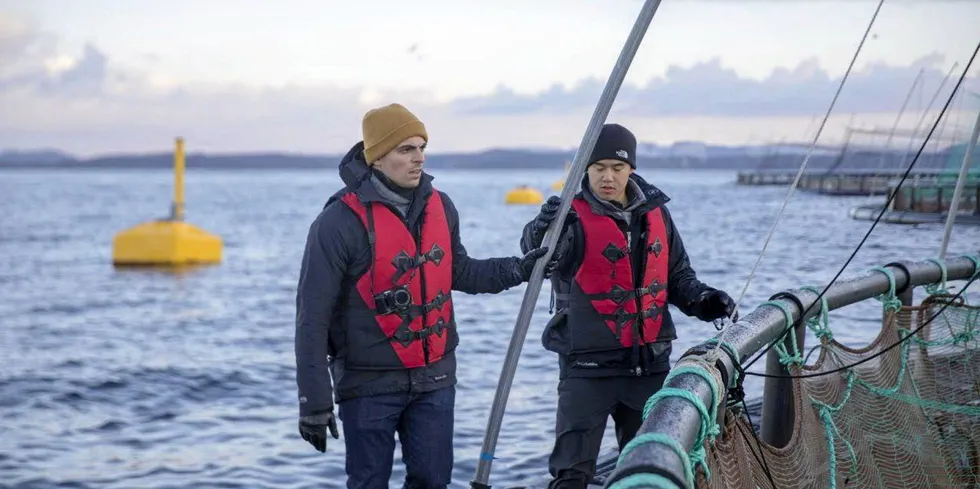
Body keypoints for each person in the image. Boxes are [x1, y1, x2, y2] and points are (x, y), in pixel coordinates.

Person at [294, 103, 549, 489]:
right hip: (368, 385)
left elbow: (459, 271)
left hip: (435, 379)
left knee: (433, 481)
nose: (419, 158)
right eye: (406, 149)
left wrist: (521, 268)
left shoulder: (441, 206)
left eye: (421, 147)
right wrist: (314, 404)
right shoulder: (336, 223)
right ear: (377, 157)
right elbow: (311, 317)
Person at [519, 123, 736, 488]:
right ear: (585, 169)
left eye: (617, 168)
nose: (607, 177)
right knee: (572, 474)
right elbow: (538, 254)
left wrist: (704, 301)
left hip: (649, 368)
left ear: (630, 169)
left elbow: (679, 277)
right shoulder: (567, 217)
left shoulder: (657, 214)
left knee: (651, 468)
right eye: (599, 167)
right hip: (586, 370)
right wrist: (540, 229)